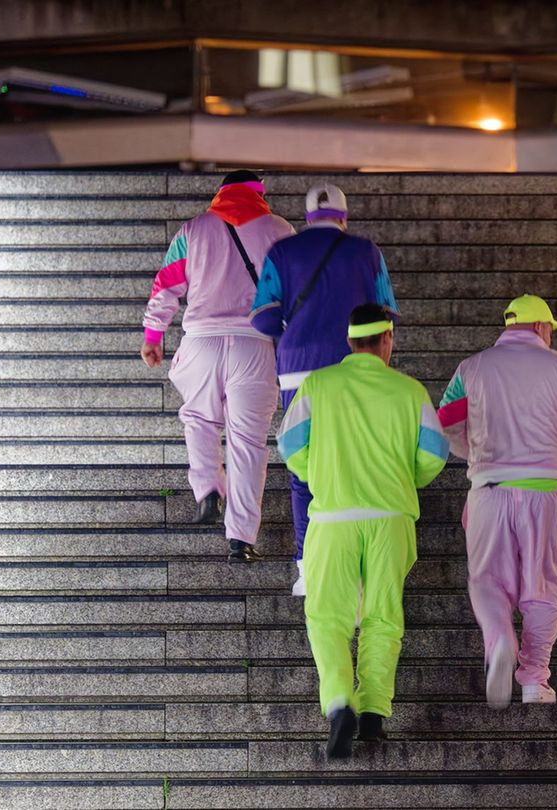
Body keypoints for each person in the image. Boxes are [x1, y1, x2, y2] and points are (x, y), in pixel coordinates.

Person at [438, 294, 557, 708]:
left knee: (487, 581)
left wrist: (474, 453)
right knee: (541, 589)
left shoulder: (470, 369)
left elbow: (444, 426)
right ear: (543, 328)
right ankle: (533, 681)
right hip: (544, 492)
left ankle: (500, 640)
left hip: (488, 491)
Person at [275, 303, 447, 758]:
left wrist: (323, 473)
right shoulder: (410, 391)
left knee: (327, 617)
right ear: (387, 339)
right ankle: (373, 715)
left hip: (333, 519)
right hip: (391, 521)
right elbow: (434, 453)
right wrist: (402, 479)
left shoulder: (319, 384)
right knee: (382, 618)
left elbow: (289, 444)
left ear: (349, 342)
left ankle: (338, 703)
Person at [251, 182, 398, 595]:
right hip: (356, 365)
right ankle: (360, 569)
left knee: (304, 464)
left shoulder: (282, 252)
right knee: (357, 458)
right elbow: (386, 313)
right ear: (344, 217)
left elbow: (262, 319)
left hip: (298, 371)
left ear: (307, 218)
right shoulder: (366, 252)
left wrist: (294, 326)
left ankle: (308, 568)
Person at [140, 170, 293, 562]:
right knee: (248, 444)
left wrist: (154, 335)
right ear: (260, 192)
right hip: (255, 347)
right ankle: (240, 538)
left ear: (220, 192)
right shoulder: (279, 229)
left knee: (199, 419)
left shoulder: (194, 229)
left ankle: (208, 489)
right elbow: (295, 288)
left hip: (202, 343)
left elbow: (166, 284)